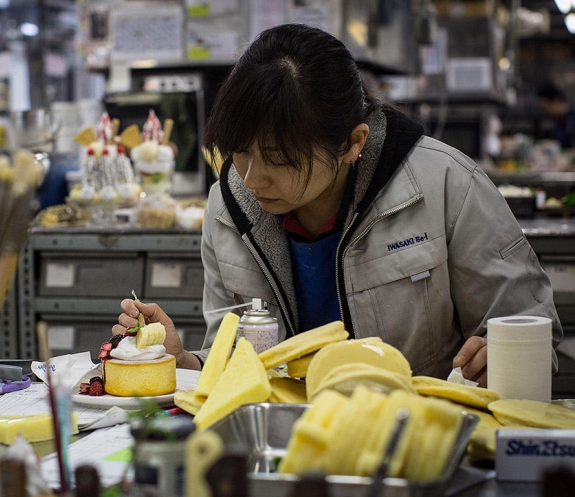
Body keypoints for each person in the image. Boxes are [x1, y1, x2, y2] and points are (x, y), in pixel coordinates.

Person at [113, 24, 562, 387]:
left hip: (423, 439)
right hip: (288, 444)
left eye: (281, 160)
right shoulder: (228, 209)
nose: (251, 179)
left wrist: (503, 355)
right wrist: (183, 361)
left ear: (352, 144)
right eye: (240, 152)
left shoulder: (445, 184)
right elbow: (237, 367)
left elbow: (530, 327)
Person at [537, 82, 575, 150]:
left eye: (545, 108)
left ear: (556, 100)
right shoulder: (559, 120)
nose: (546, 112)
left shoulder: (572, 117)